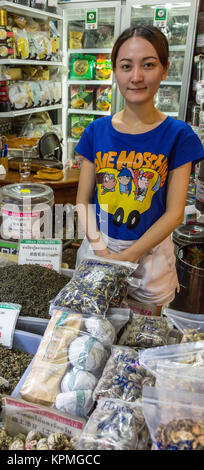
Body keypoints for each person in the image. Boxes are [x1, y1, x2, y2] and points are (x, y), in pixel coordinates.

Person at [75, 25, 204, 310]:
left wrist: (129, 256)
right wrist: (101, 251)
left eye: (148, 65)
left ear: (165, 69)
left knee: (142, 340)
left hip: (150, 258)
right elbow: (83, 201)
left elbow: (174, 213)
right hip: (98, 249)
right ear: (115, 70)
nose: (136, 77)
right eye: (126, 66)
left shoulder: (178, 135)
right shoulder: (95, 131)